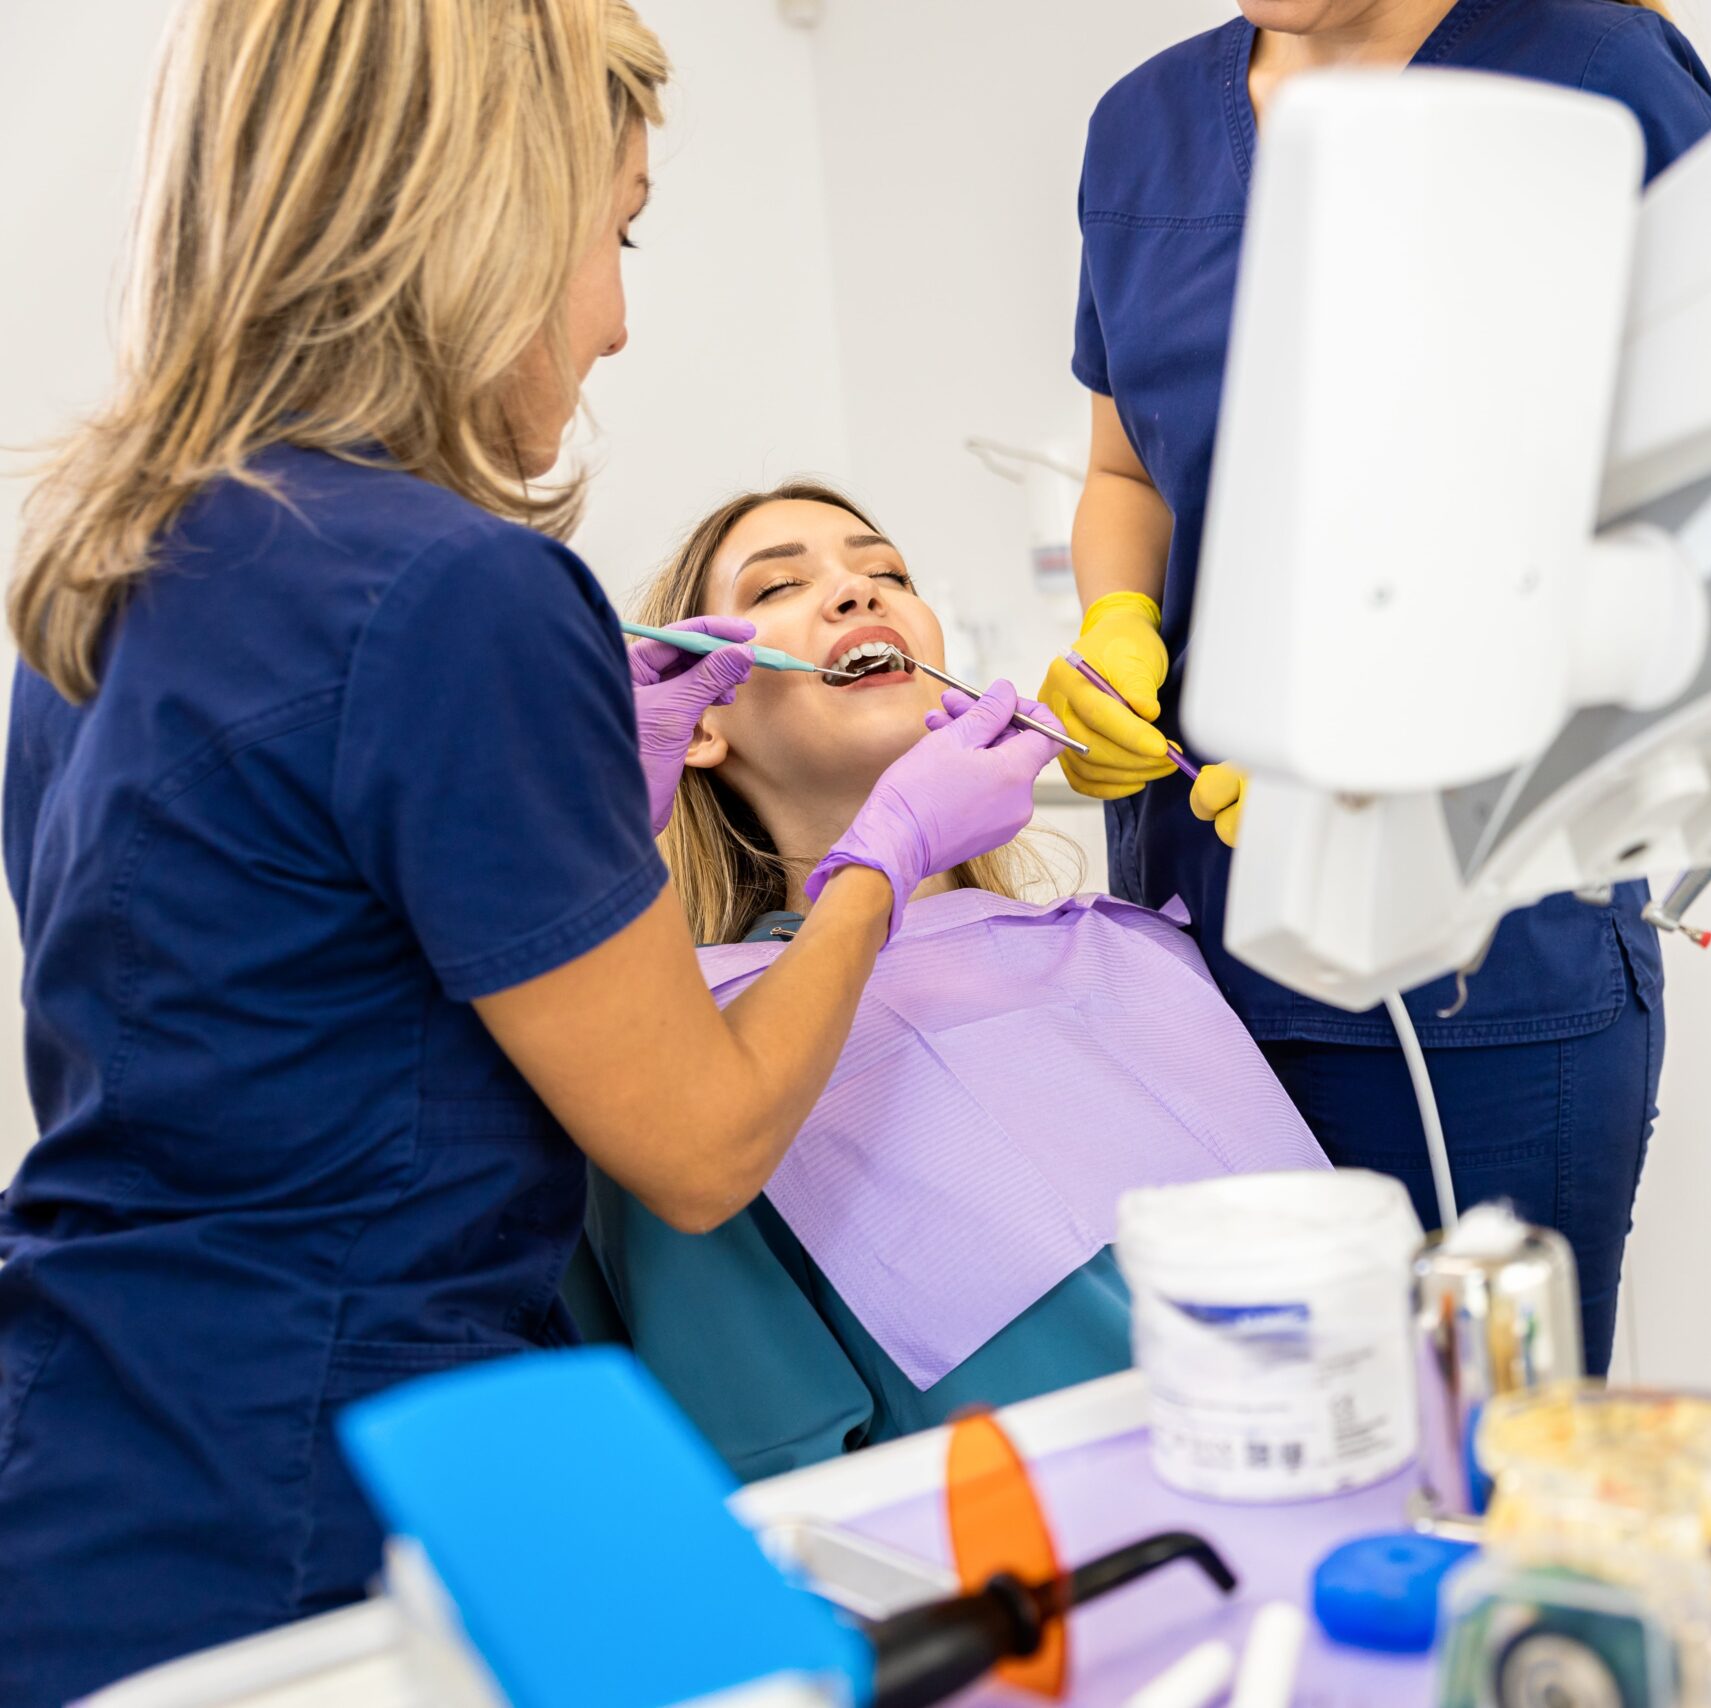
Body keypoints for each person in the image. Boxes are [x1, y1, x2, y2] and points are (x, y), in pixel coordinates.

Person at [0, 6, 1052, 1698]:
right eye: (614, 230)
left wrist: (575, 804)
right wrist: (885, 852)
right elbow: (702, 1146)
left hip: (87, 1444)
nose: (619, 320)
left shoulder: (108, 589)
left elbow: (298, 994)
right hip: (297, 1489)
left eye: (874, 562)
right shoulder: (453, 590)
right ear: (477, 211)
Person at [1049, 0, 1711, 1373]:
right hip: (1202, 940)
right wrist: (1118, 624)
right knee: (1261, 1453)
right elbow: (1126, 475)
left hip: (1486, 953)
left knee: (1488, 1460)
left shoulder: (1597, 74)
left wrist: (1412, 711)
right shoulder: (1141, 129)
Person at [570, 484, 1329, 1479]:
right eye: (784, 584)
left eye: (887, 574)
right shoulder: (699, 1055)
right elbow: (778, 1473)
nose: (854, 592)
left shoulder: (1131, 946)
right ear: (703, 721)